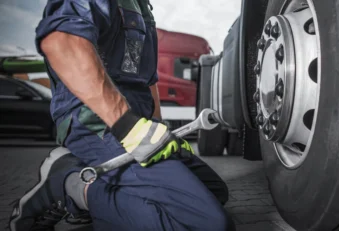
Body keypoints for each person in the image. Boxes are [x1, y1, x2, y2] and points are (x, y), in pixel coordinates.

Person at [9, 0, 233, 230]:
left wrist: (157, 130)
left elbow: (147, 81)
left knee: (214, 191)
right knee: (208, 224)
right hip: (97, 123)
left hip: (135, 122)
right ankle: (73, 187)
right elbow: (61, 42)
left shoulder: (142, 5)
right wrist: (128, 127)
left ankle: (104, 192)